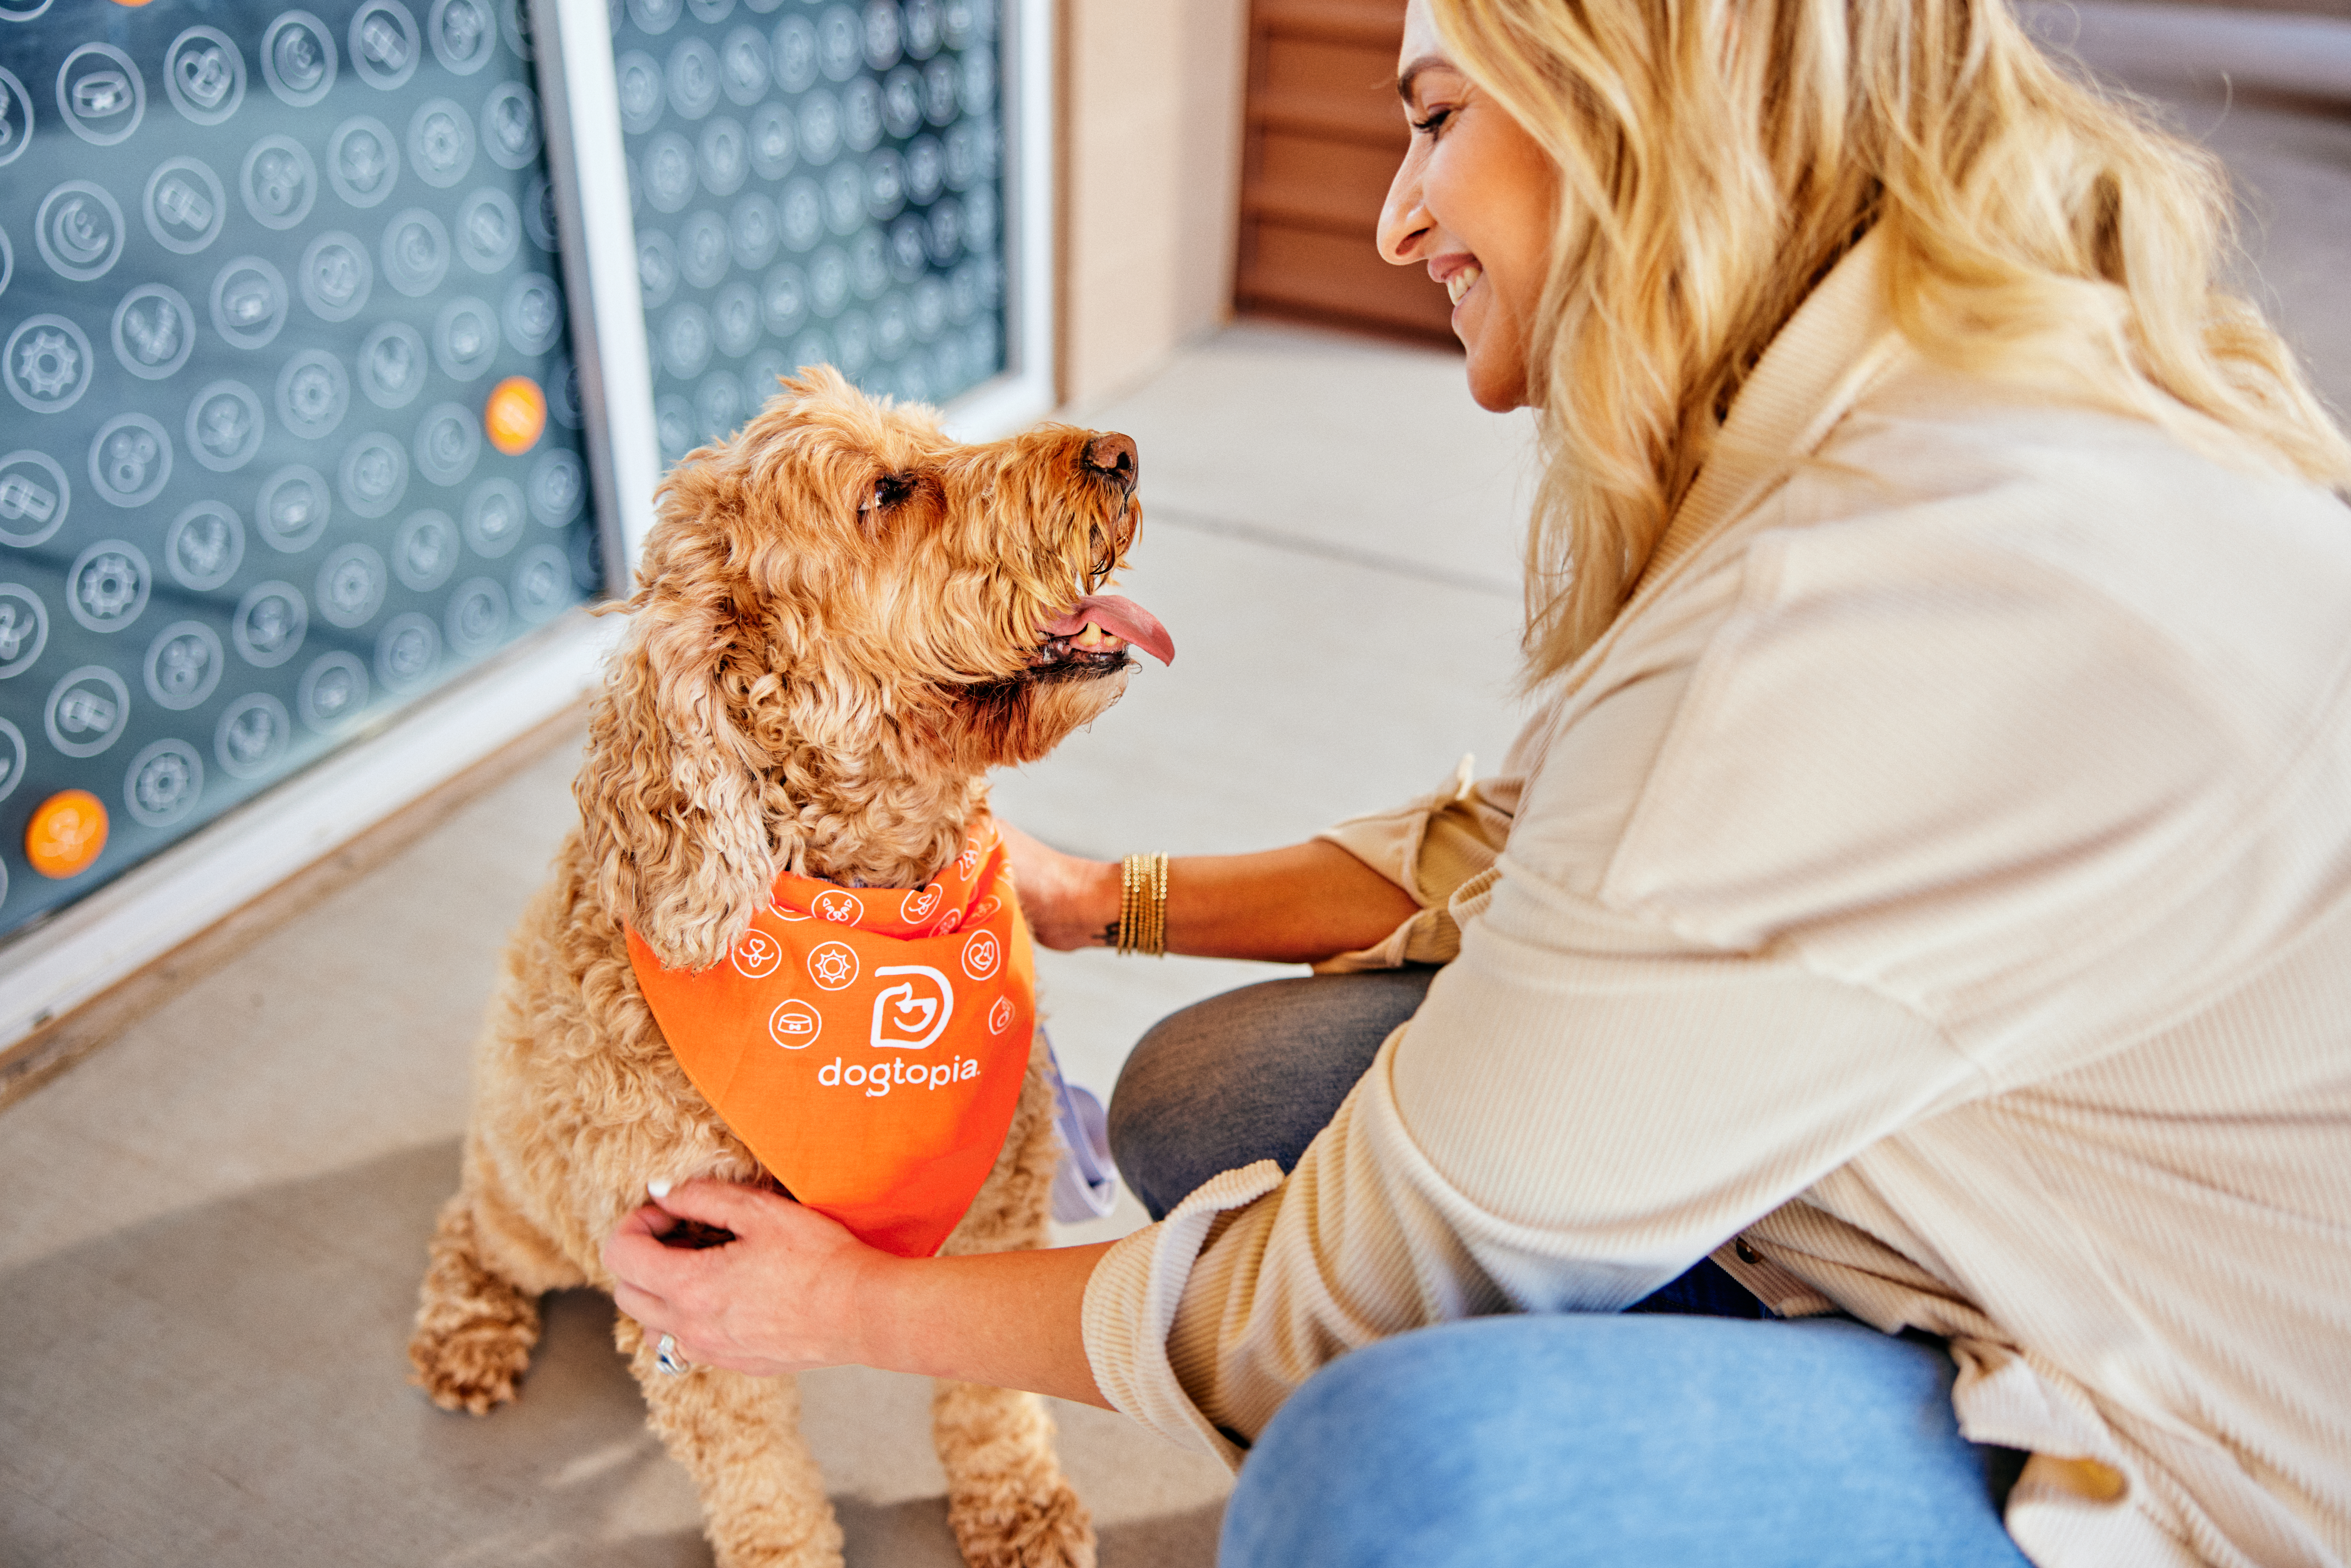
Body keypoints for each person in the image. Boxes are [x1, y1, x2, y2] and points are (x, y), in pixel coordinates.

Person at [605, 0, 2351, 1561]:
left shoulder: (1862, 601)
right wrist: (1097, 896)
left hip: (2194, 1444)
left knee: (1387, 1486)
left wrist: (846, 1301)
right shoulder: (1912, 397)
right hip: (1959, 1177)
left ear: (1630, 95)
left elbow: (1332, 1303)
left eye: (1436, 118)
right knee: (1201, 1092)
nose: (1394, 211)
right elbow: (1540, 850)